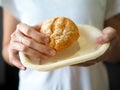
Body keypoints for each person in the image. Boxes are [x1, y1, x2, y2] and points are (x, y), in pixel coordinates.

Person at [1, 0, 120, 90]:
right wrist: (16, 48)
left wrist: (109, 47)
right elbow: (7, 49)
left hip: (89, 84)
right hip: (36, 85)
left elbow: (117, 51)